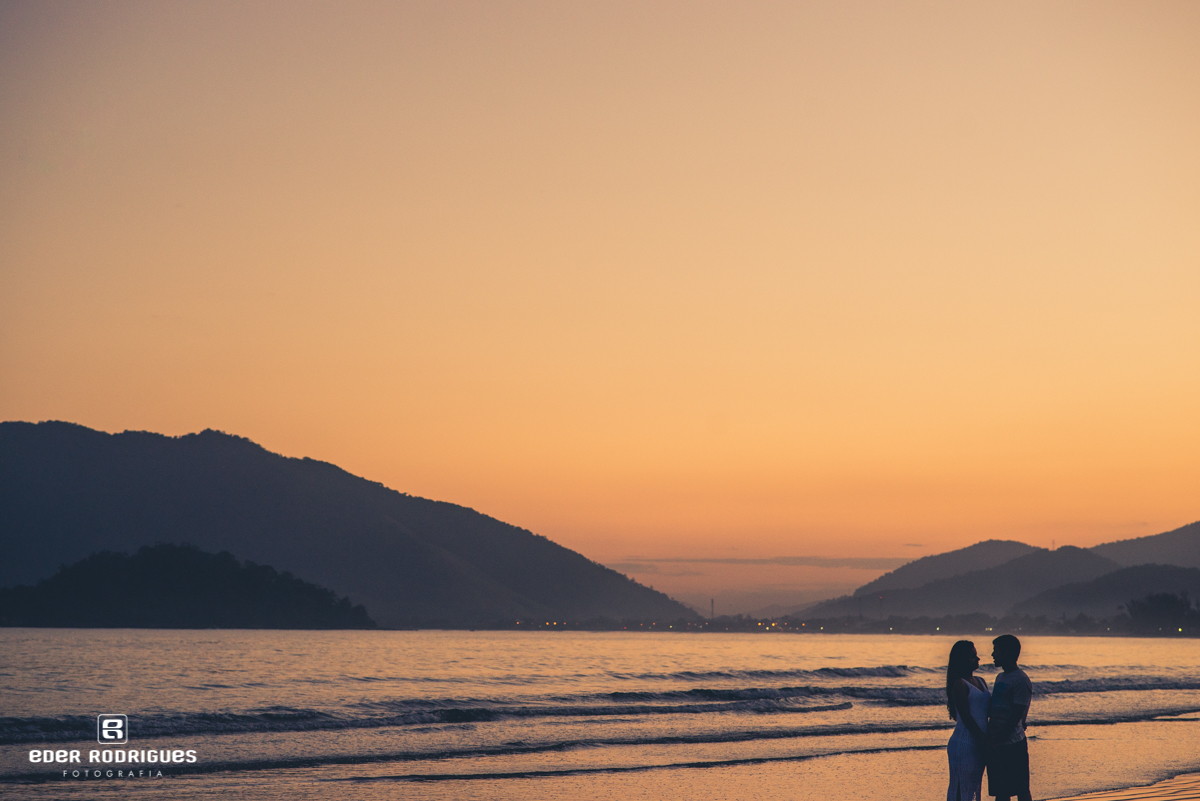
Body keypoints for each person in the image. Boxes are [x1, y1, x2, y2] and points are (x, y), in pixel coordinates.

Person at [987, 634, 1033, 801]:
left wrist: (998, 738)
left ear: (1006, 653)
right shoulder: (1000, 677)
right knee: (1001, 790)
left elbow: (1016, 715)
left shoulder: (1021, 680)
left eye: (996, 651)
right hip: (997, 741)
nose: (993, 655)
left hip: (1013, 743)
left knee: (1021, 788)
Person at [946, 640, 990, 801]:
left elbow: (988, 710)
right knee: (960, 786)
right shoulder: (960, 684)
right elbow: (966, 716)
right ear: (963, 659)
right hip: (964, 743)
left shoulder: (980, 681)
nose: (978, 659)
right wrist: (983, 740)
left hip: (979, 740)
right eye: (973, 656)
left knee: (973, 786)